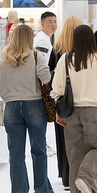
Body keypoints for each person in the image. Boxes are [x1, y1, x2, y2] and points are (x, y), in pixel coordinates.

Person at [51, 25, 97, 193]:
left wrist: (58, 110)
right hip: (93, 112)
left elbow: (56, 89)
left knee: (75, 153)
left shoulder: (65, 60)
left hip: (71, 112)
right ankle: (85, 177)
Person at [0, 25, 54, 193]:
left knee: (15, 153)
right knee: (38, 149)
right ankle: (41, 189)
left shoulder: (4, 57)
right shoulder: (36, 55)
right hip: (34, 105)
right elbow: (46, 78)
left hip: (11, 107)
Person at [48, 16, 83, 191]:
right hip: (80, 100)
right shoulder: (85, 52)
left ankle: (64, 173)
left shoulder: (57, 50)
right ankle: (78, 174)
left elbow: (50, 79)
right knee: (78, 139)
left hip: (62, 101)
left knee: (62, 139)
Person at [34, 11, 57, 157]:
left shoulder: (45, 39)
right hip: (41, 84)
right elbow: (40, 64)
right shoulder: (42, 40)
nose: (53, 24)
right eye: (50, 22)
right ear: (42, 24)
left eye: (55, 21)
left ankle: (42, 143)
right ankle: (41, 144)